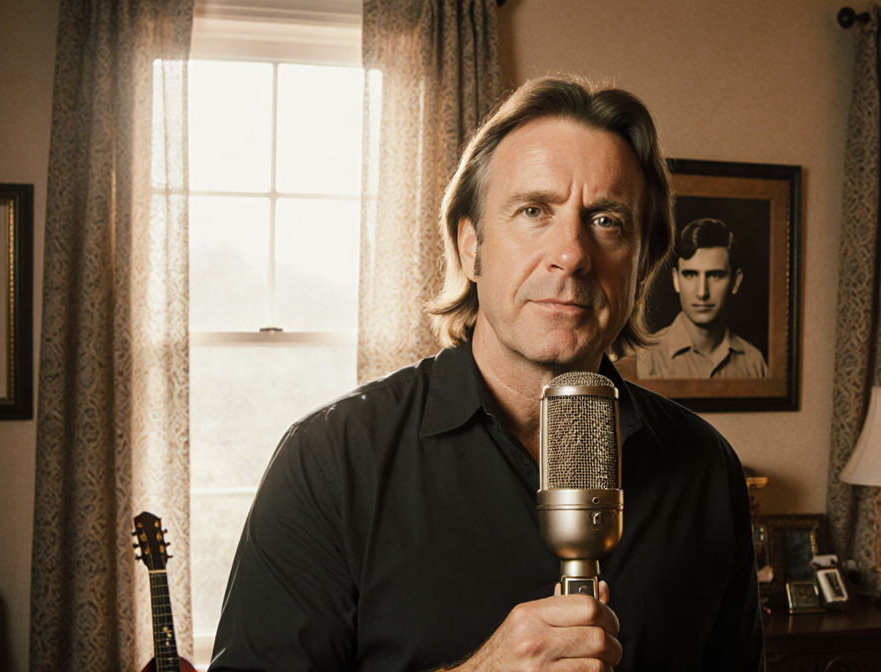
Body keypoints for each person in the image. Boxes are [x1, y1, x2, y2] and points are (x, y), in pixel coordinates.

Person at [210, 77, 765, 672]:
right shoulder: (331, 461)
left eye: (606, 220)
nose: (572, 254)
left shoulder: (706, 469)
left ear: (644, 264)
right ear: (470, 246)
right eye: (534, 211)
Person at [637, 218, 768, 379]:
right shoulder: (647, 359)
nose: (702, 293)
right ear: (676, 280)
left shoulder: (754, 363)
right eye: (690, 275)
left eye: (714, 276)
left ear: (736, 281)